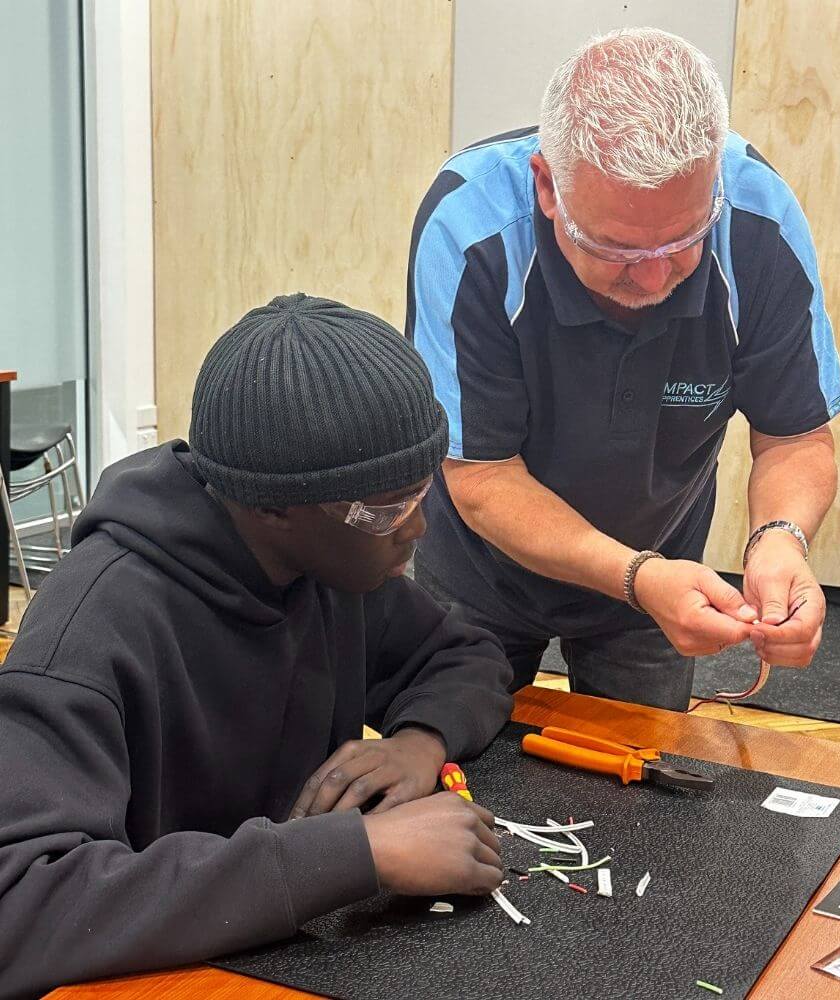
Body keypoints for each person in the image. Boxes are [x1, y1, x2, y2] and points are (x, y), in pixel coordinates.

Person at [0, 294, 512, 998]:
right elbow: (20, 906)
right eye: (389, 509)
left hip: (282, 953)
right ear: (274, 506)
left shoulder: (330, 566)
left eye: (424, 495)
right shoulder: (91, 636)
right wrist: (358, 852)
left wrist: (416, 744)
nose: (416, 529)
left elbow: (467, 658)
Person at [406, 27, 840, 710]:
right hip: (481, 573)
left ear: (714, 189)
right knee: (456, 777)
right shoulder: (471, 229)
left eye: (683, 239)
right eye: (614, 245)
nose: (653, 274)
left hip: (659, 572)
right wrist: (640, 576)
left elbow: (794, 438)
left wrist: (780, 541)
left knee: (645, 795)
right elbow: (482, 476)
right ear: (547, 187)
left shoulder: (758, 220)